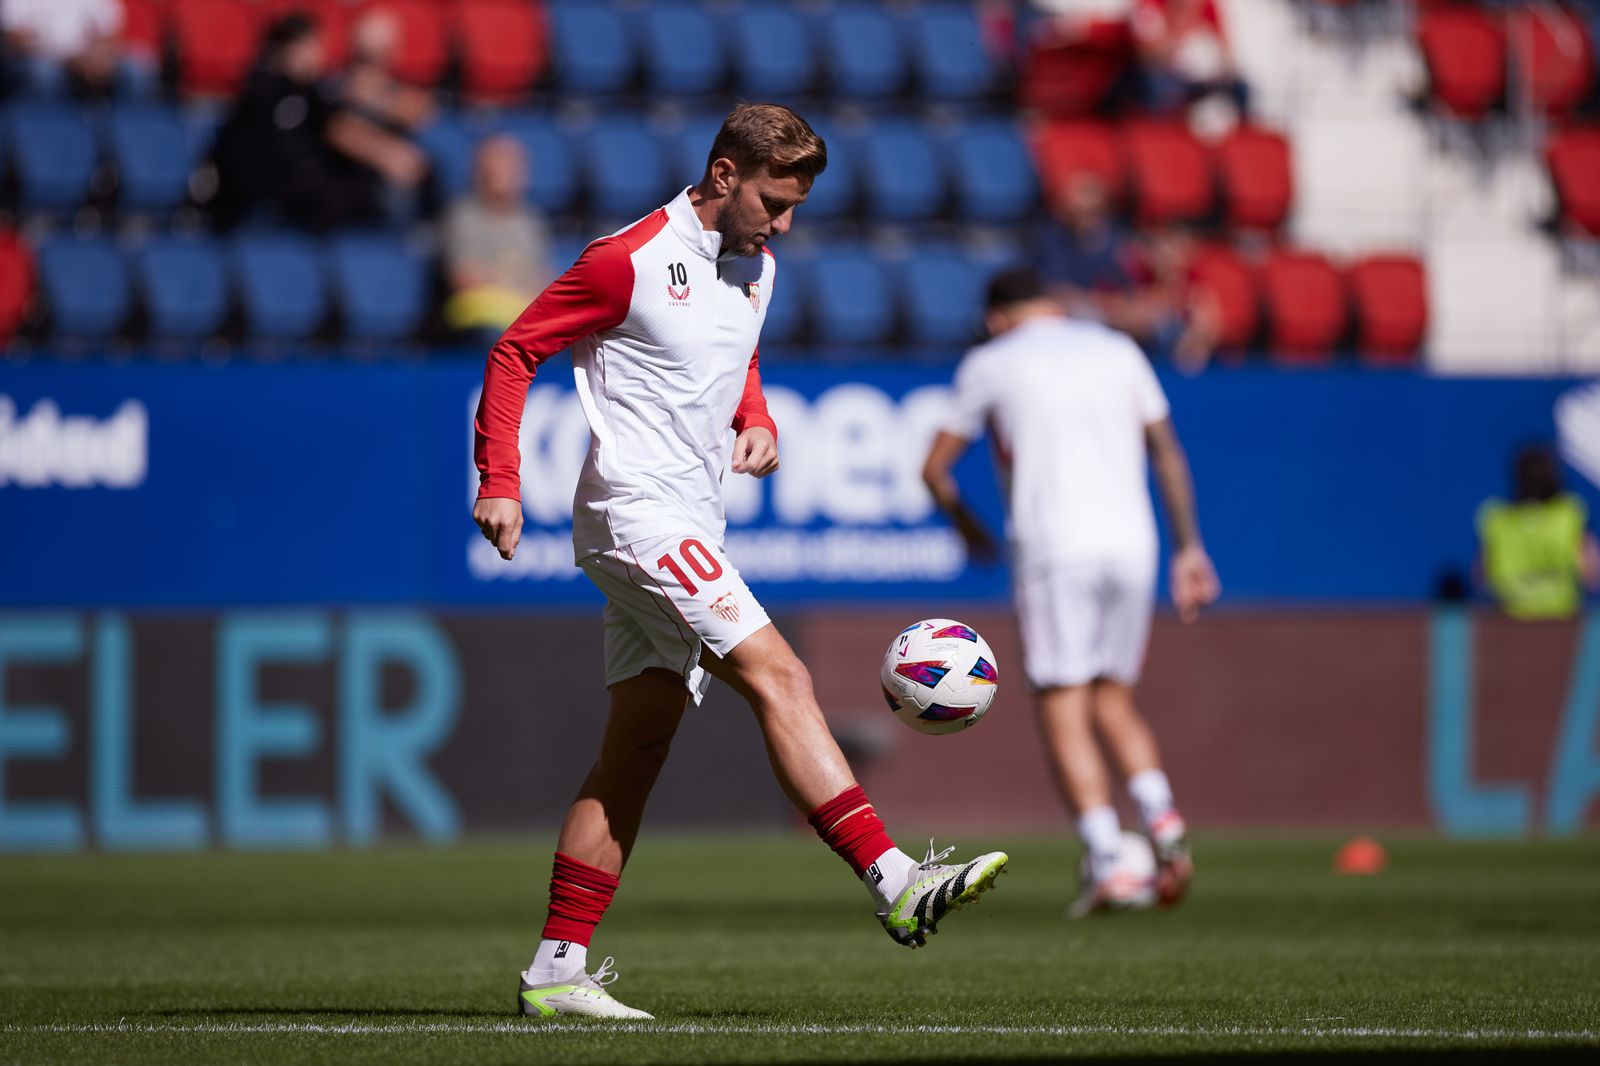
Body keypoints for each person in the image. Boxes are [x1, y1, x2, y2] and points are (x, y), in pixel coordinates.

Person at [472, 104, 1008, 1021]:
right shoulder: (627, 259)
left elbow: (735, 355)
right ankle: (894, 880)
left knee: (634, 751)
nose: (785, 224)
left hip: (691, 517)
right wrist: (501, 480)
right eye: (774, 201)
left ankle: (557, 970)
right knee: (780, 674)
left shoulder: (756, 265)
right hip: (635, 512)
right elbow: (517, 348)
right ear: (724, 175)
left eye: (796, 207)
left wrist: (753, 416)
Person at [920, 267, 1218, 918]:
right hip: (1134, 543)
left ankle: (1110, 859)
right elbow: (1166, 451)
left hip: (1055, 547)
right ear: (1052, 303)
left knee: (1062, 704)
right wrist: (1189, 547)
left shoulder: (992, 361)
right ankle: (1163, 820)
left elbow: (934, 470)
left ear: (997, 317)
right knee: (1113, 696)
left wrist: (969, 527)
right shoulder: (1118, 350)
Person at [210, 13, 426, 232]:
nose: (317, 56)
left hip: (308, 189)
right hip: (273, 195)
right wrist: (386, 155)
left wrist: (380, 107)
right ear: (287, 49)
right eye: (310, 47)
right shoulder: (262, 91)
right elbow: (338, 131)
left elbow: (419, 110)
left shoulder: (310, 91)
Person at [442, 135, 554, 341]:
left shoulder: (531, 220)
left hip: (524, 314)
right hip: (481, 317)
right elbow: (464, 278)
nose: (503, 173)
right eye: (496, 165)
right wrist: (520, 298)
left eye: (511, 166)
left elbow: (543, 276)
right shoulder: (463, 217)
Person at [1477, 445, 1600, 620]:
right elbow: (1591, 576)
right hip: (1563, 624)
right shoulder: (1571, 513)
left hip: (1510, 624)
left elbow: (1481, 578)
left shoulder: (1496, 518)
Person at [1034, 171, 1133, 324]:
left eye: (1092, 211)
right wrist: (1103, 304)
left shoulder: (1120, 241)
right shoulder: (1052, 240)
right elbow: (1057, 290)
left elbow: (1135, 288)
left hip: (1122, 312)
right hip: (1081, 315)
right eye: (1077, 212)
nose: (1084, 219)